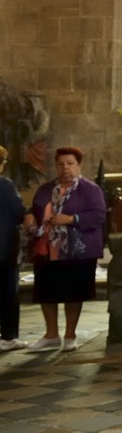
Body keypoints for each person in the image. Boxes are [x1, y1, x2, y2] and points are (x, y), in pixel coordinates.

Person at [22, 147, 107, 351]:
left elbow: (98, 216)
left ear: (79, 166)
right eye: (61, 164)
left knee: (73, 292)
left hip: (77, 250)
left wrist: (71, 219)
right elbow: (34, 208)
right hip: (47, 249)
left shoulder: (90, 189)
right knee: (46, 292)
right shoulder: (45, 189)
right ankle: (51, 335)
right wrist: (30, 216)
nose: (65, 168)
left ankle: (70, 334)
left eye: (70, 163)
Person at [0, 146, 25, 351]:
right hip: (4, 248)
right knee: (8, 292)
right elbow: (18, 212)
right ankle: (8, 337)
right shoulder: (4, 185)